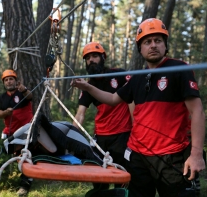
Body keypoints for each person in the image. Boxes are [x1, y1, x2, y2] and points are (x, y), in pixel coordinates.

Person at [71, 18, 205, 197]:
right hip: (138, 156)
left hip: (171, 156)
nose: (153, 45)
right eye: (147, 42)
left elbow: (197, 111)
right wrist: (87, 87)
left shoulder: (178, 68)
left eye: (158, 40)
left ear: (165, 45)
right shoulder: (138, 77)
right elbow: (112, 98)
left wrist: (196, 153)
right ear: (140, 48)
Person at [73, 42, 132, 190]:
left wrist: (136, 127)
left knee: (121, 176)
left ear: (103, 58)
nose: (91, 60)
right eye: (88, 58)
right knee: (99, 179)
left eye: (95, 56)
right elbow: (80, 114)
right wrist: (72, 137)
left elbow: (133, 98)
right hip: (100, 137)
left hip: (122, 135)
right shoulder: (87, 86)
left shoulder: (119, 75)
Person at [0, 69, 33, 196]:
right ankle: (2, 181)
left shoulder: (22, 92)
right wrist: (6, 112)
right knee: (2, 156)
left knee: (26, 157)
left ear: (16, 81)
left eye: (11, 79)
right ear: (4, 83)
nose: (8, 81)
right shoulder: (2, 97)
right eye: (6, 80)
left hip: (25, 133)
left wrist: (23, 89)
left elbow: (31, 97)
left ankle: (24, 185)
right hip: (9, 132)